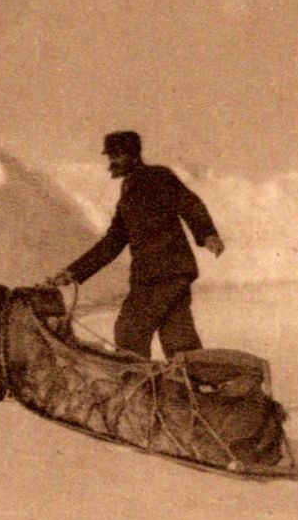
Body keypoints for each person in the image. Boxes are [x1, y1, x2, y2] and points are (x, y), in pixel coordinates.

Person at [50, 131, 224, 358]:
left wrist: (207, 234)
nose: (112, 162)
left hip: (160, 274)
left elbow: (189, 203)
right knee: (179, 340)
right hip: (167, 274)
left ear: (134, 155)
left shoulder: (158, 175)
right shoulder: (127, 192)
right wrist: (73, 272)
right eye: (110, 157)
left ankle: (139, 387)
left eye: (118, 156)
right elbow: (112, 242)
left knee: (129, 332)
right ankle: (195, 388)